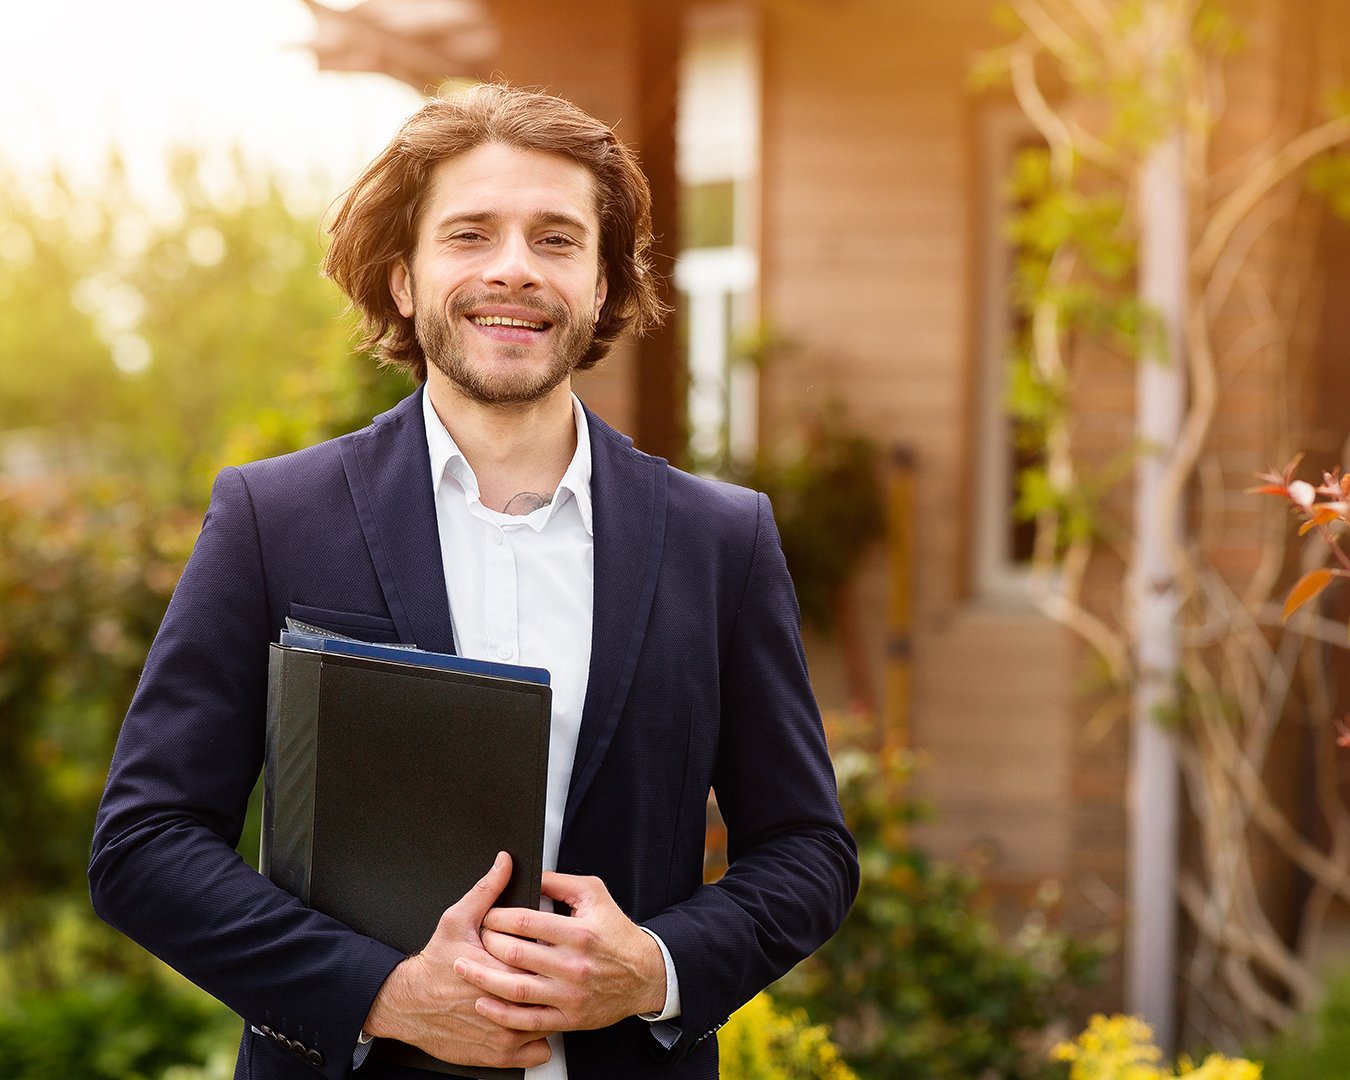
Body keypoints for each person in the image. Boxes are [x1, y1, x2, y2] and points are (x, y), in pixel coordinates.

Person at [89, 82, 858, 1080]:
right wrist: (380, 992)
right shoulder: (272, 520)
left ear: (602, 283)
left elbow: (806, 850)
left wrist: (654, 968)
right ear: (403, 277)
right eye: (470, 233)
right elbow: (144, 845)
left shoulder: (722, 541)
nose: (512, 269)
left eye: (555, 239)